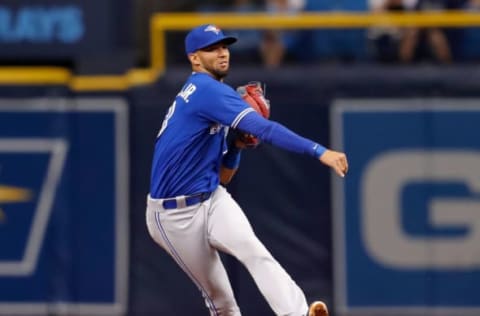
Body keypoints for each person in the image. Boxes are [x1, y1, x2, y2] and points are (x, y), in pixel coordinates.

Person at [145, 23, 348, 316]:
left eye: (224, 47)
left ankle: (297, 313)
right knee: (223, 304)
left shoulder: (212, 96)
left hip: (211, 199)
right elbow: (265, 128)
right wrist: (319, 151)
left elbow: (223, 178)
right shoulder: (206, 91)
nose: (222, 53)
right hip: (172, 216)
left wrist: (236, 146)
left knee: (254, 251)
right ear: (195, 58)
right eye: (212, 49)